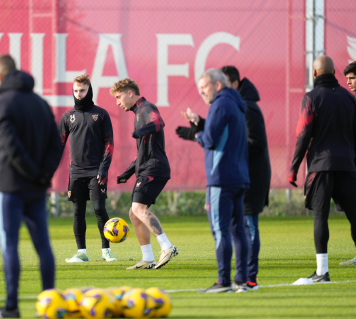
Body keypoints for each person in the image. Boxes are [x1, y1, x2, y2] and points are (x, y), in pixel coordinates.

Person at [177, 66, 271, 290]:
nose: (202, 93)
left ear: (218, 85)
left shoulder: (221, 103)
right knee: (239, 230)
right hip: (239, 177)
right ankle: (242, 280)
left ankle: (223, 281)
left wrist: (195, 133)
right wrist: (201, 123)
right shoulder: (239, 104)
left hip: (221, 177)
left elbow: (210, 140)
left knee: (221, 230)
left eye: (204, 87)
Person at [0, 55, 63, 318]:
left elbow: (11, 147)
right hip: (36, 188)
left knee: (10, 245)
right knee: (43, 246)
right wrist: (44, 175)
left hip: (9, 186)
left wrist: (32, 172)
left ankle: (11, 307)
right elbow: (56, 143)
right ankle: (49, 304)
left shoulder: (2, 103)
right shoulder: (41, 103)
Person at [289, 56, 356, 277]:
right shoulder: (349, 98)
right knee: (355, 215)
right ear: (335, 72)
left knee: (320, 217)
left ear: (315, 74)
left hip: (321, 165)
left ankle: (322, 271)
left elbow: (303, 135)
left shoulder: (312, 98)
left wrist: (294, 167)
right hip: (347, 165)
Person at [110, 78, 178, 270]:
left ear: (130, 93)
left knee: (139, 208)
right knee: (134, 213)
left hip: (154, 168)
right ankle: (147, 258)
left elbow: (159, 122)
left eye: (119, 96)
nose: (118, 102)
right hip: (147, 168)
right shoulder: (138, 112)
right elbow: (142, 151)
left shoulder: (146, 107)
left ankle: (167, 246)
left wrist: (141, 131)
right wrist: (128, 172)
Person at [59, 74, 115, 263]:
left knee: (99, 209)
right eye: (76, 91)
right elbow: (58, 145)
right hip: (76, 172)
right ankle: (81, 252)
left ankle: (106, 251)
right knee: (78, 211)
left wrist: (104, 168)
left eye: (82, 90)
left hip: (96, 172)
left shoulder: (101, 114)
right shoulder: (68, 116)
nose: (79, 94)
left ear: (89, 90)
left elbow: (109, 143)